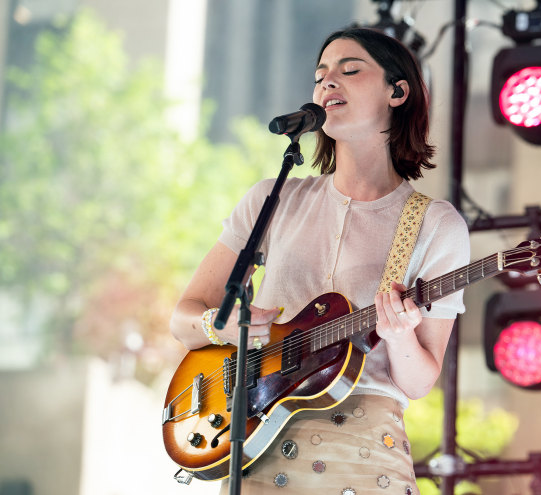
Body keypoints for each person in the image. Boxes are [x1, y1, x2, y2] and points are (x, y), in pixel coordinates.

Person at [170, 27, 470, 494]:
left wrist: (401, 334)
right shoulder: (272, 199)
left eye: (350, 70)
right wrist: (219, 328)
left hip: (368, 454)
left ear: (398, 91)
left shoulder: (436, 224)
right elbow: (182, 317)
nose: (328, 82)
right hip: (261, 441)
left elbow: (418, 382)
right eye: (320, 76)